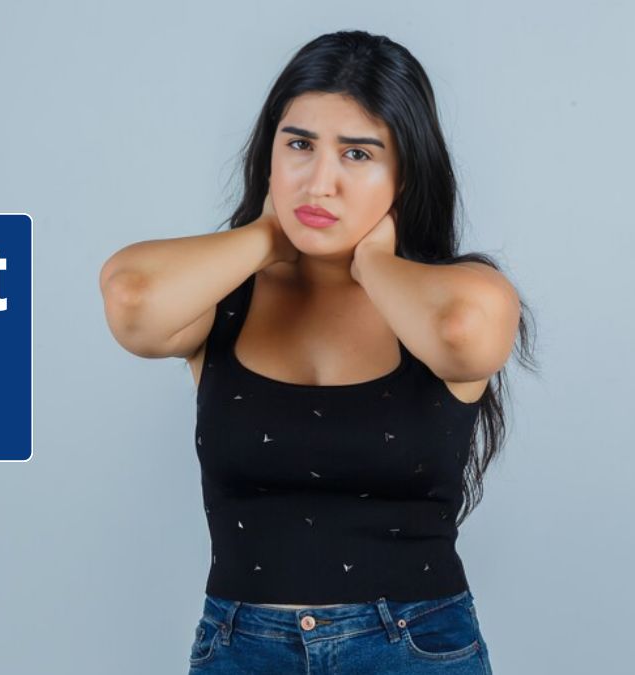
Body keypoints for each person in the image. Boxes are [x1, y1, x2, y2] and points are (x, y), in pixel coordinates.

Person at [99, 30, 537, 674]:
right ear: (269, 152)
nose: (319, 182)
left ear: (405, 172)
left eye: (358, 155)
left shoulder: (454, 294)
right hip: (240, 649)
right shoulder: (224, 299)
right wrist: (266, 237)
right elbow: (133, 301)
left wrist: (375, 261)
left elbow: (463, 334)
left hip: (412, 648)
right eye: (299, 145)